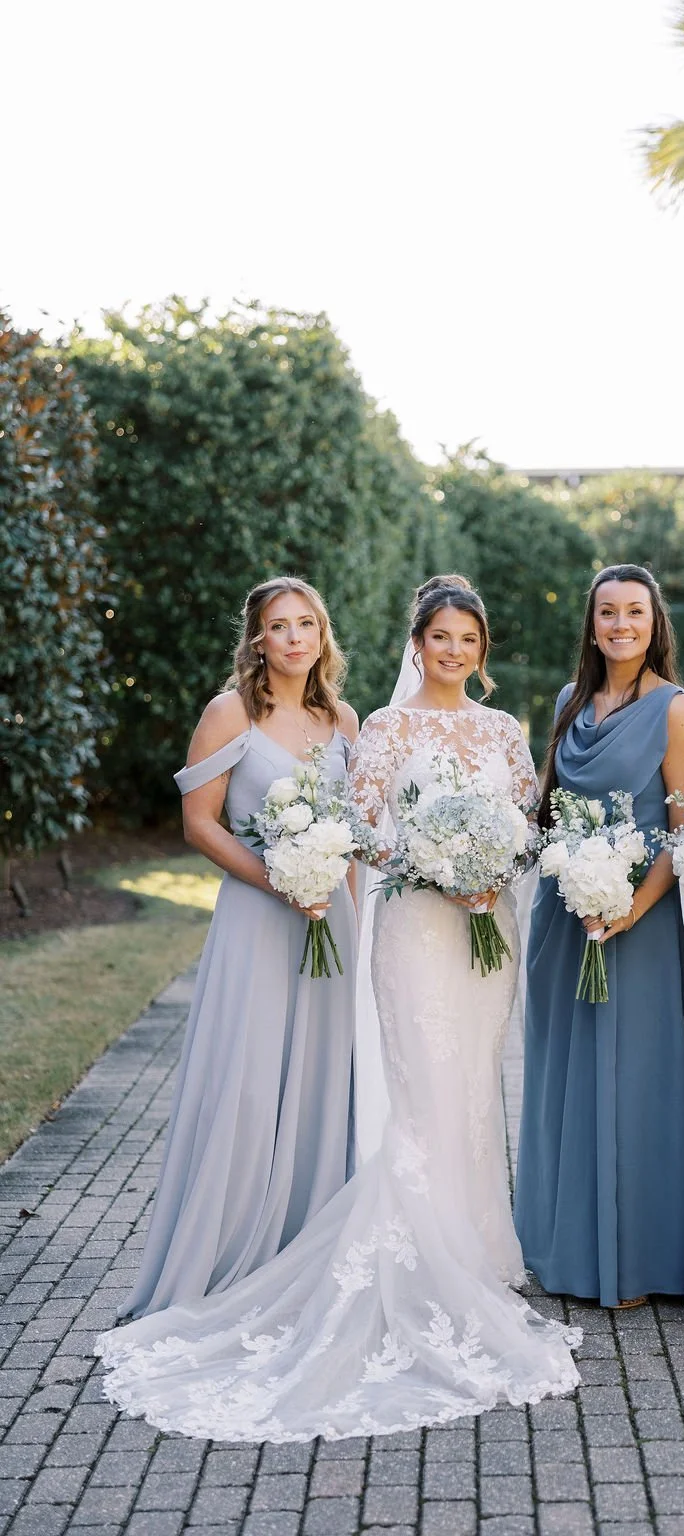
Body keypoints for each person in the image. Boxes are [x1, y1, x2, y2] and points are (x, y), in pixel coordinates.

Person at [96, 577, 580, 1440]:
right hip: (407, 926)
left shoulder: (488, 729)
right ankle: (415, 1254)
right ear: (417, 642)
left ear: (483, 647)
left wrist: (491, 873)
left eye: (469, 638)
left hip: (482, 930)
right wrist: (432, 865)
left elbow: (523, 821)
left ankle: (478, 1250)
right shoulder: (380, 728)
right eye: (440, 636)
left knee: (471, 1086)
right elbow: (368, 828)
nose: (454, 650)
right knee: (419, 1089)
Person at [119, 577, 359, 1320]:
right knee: (250, 1082)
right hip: (260, 919)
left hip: (332, 922)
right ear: (256, 638)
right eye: (278, 627)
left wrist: (341, 902)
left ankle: (306, 1243)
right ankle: (224, 1256)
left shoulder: (342, 717)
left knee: (324, 1079)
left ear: (322, 634)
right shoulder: (231, 713)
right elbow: (201, 822)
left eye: (306, 625)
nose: (294, 638)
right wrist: (278, 879)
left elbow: (353, 828)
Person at [514, 564, 684, 1309]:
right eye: (607, 613)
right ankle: (564, 1244)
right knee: (565, 1077)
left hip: (642, 926)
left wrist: (628, 908)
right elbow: (547, 809)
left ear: (655, 622)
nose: (621, 625)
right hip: (565, 918)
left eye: (634, 612)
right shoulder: (569, 702)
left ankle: (637, 1261)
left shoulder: (677, 710)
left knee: (635, 1080)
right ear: (591, 624)